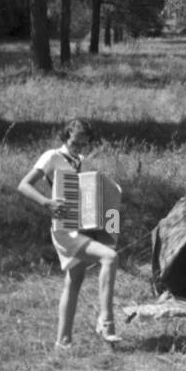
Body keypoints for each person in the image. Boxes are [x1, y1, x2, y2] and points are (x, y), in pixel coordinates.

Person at [17, 118, 120, 348]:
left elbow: (101, 197)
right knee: (110, 258)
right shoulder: (51, 156)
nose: (79, 147)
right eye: (75, 142)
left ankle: (63, 342)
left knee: (74, 280)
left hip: (83, 227)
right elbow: (23, 185)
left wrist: (108, 226)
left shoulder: (84, 162)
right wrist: (47, 203)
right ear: (66, 137)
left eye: (84, 143)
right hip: (65, 229)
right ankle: (106, 321)